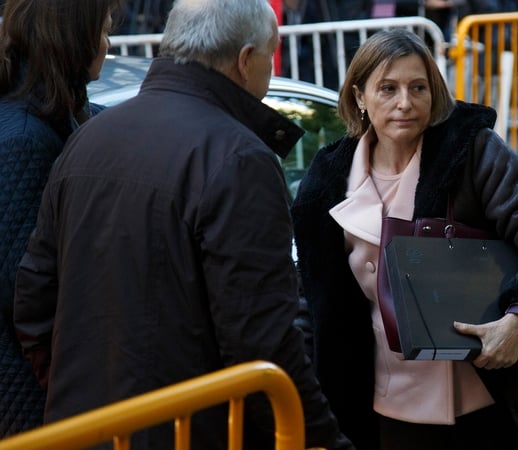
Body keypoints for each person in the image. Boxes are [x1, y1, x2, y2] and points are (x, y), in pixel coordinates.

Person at [13, 0, 353, 449]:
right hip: (190, 432)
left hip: (82, 429)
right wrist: (323, 441)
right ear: (246, 60)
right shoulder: (240, 157)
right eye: (270, 57)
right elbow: (261, 341)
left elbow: (34, 298)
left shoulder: (90, 135)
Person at [291, 29, 518, 449]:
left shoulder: (470, 152)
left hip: (493, 397)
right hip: (388, 409)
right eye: (387, 89)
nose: (405, 102)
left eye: (418, 87)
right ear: (359, 97)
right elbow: (310, 299)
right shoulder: (327, 180)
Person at [0, 0, 122, 437]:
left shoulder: (55, 115)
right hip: (27, 401)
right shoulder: (25, 138)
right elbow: (25, 295)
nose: (108, 45)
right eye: (104, 31)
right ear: (76, 35)